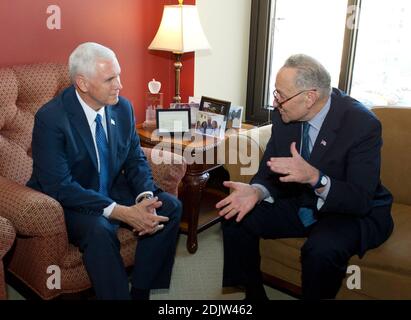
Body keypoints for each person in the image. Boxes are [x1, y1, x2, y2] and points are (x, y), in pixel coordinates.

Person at [216, 54, 394, 300]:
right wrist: (255, 191)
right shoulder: (284, 116)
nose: (275, 101)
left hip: (348, 210)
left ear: (309, 97)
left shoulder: (361, 124)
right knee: (234, 213)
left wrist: (316, 178)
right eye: (275, 93)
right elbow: (270, 169)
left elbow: (360, 197)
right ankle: (254, 294)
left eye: (281, 95)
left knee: (321, 250)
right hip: (301, 200)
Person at [27, 42, 182, 300]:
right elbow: (59, 186)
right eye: (110, 79)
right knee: (100, 229)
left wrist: (144, 197)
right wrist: (120, 211)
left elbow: (134, 158)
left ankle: (141, 292)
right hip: (68, 201)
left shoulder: (122, 108)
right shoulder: (51, 118)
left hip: (108, 185)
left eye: (119, 75)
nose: (119, 84)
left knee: (169, 206)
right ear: (83, 83)